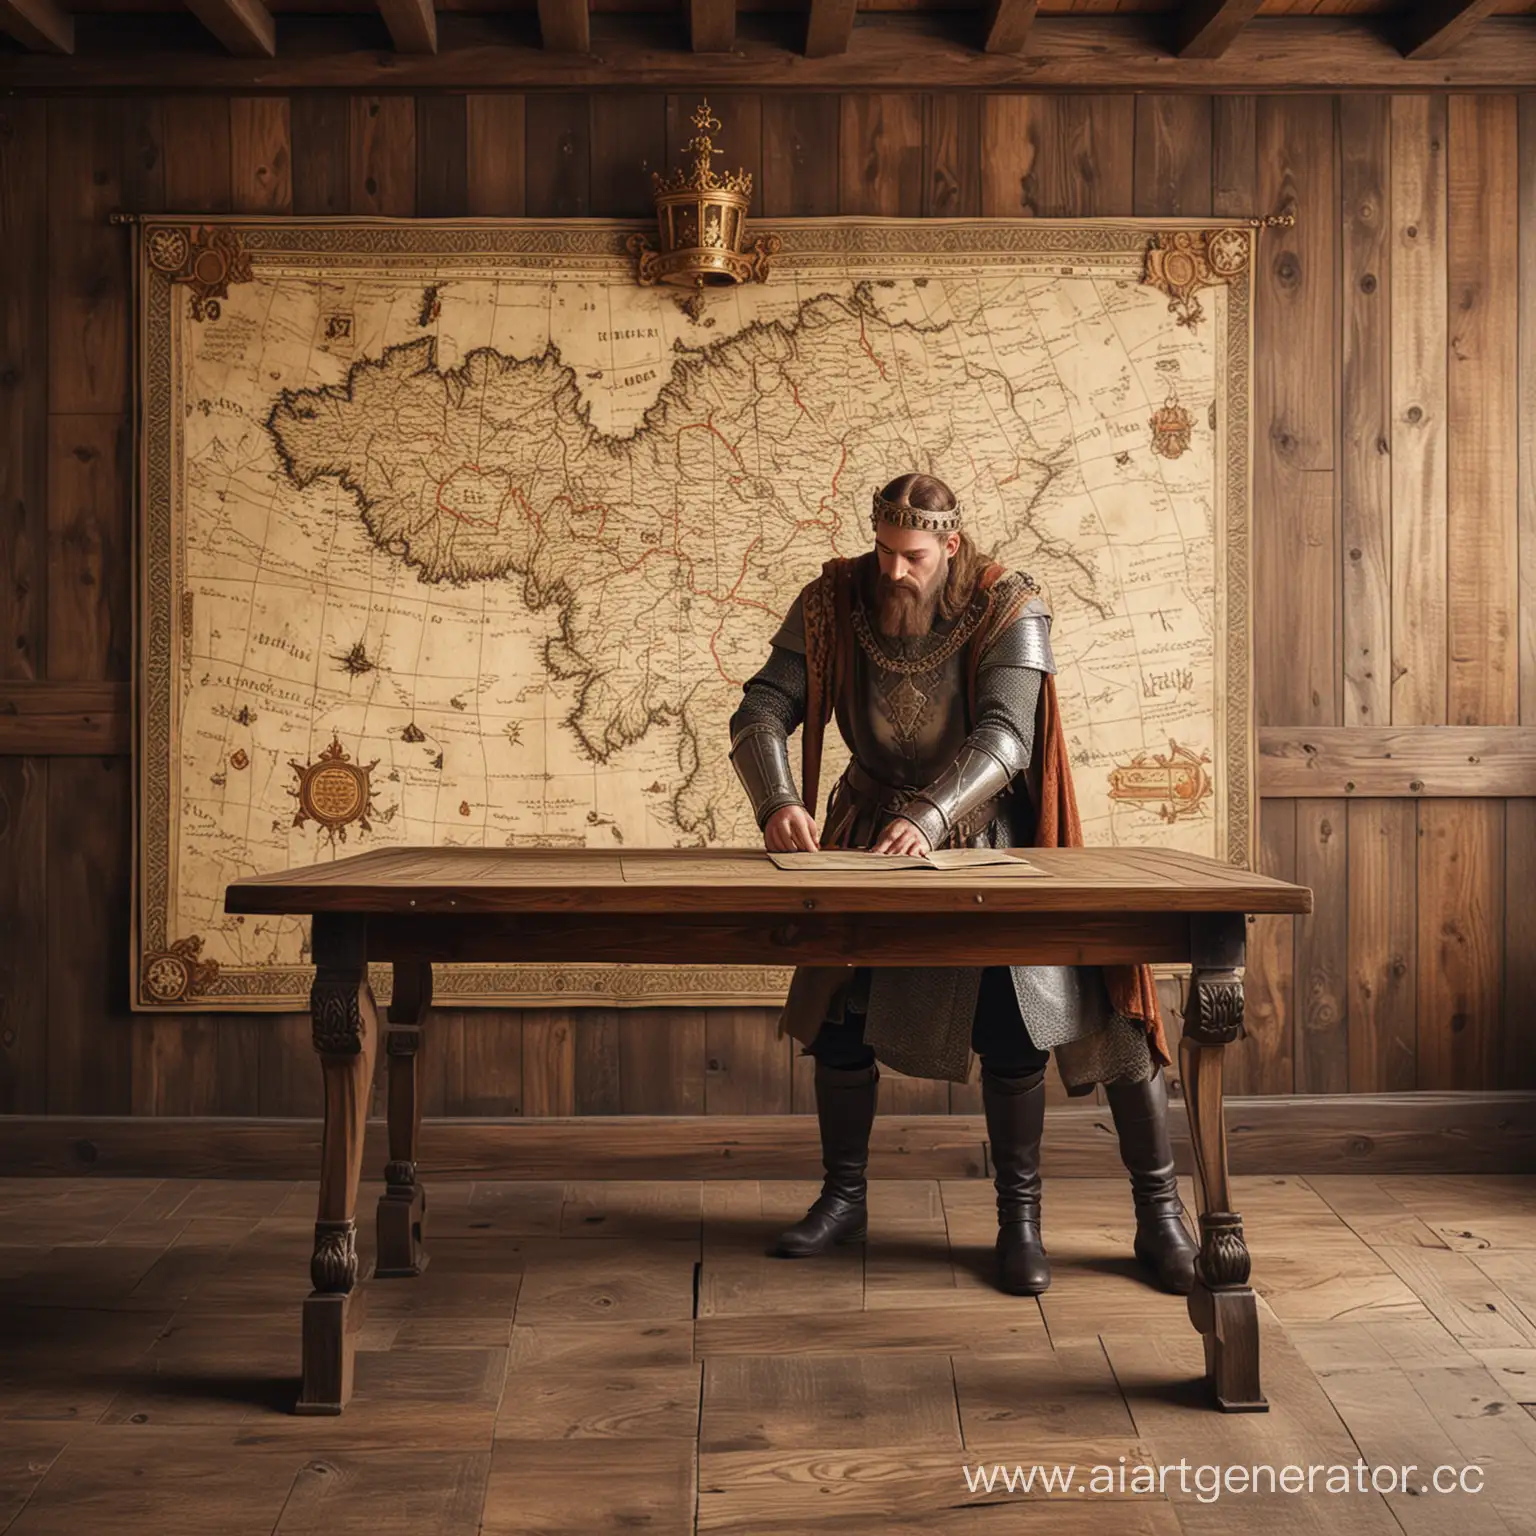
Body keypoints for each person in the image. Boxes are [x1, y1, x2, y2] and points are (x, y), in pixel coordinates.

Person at [727, 472, 1198, 1296]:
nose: (894, 572)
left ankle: (1036, 1223)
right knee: (839, 1021)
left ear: (950, 545)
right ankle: (844, 1200)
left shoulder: (1008, 602)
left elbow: (1007, 737)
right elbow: (761, 706)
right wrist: (775, 800)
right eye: (883, 552)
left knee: (1020, 1029)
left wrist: (932, 818)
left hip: (986, 843)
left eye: (911, 556)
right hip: (865, 840)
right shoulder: (834, 599)